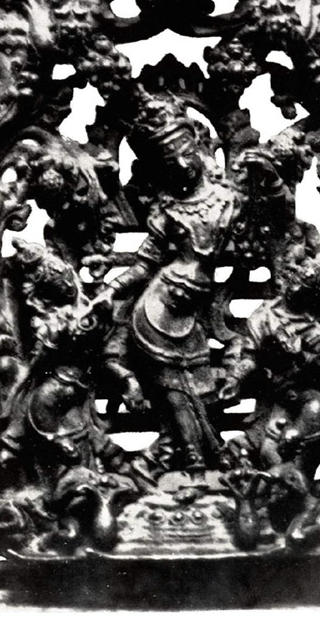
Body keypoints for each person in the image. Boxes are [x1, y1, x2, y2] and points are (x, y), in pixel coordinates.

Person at [89, 89, 239, 473]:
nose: (183, 164)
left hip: (192, 310)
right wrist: (109, 291)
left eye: (187, 152)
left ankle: (187, 454)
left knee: (199, 386)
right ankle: (194, 460)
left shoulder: (228, 198)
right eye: (170, 162)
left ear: (198, 146)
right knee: (174, 389)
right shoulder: (168, 211)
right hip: (157, 310)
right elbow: (143, 266)